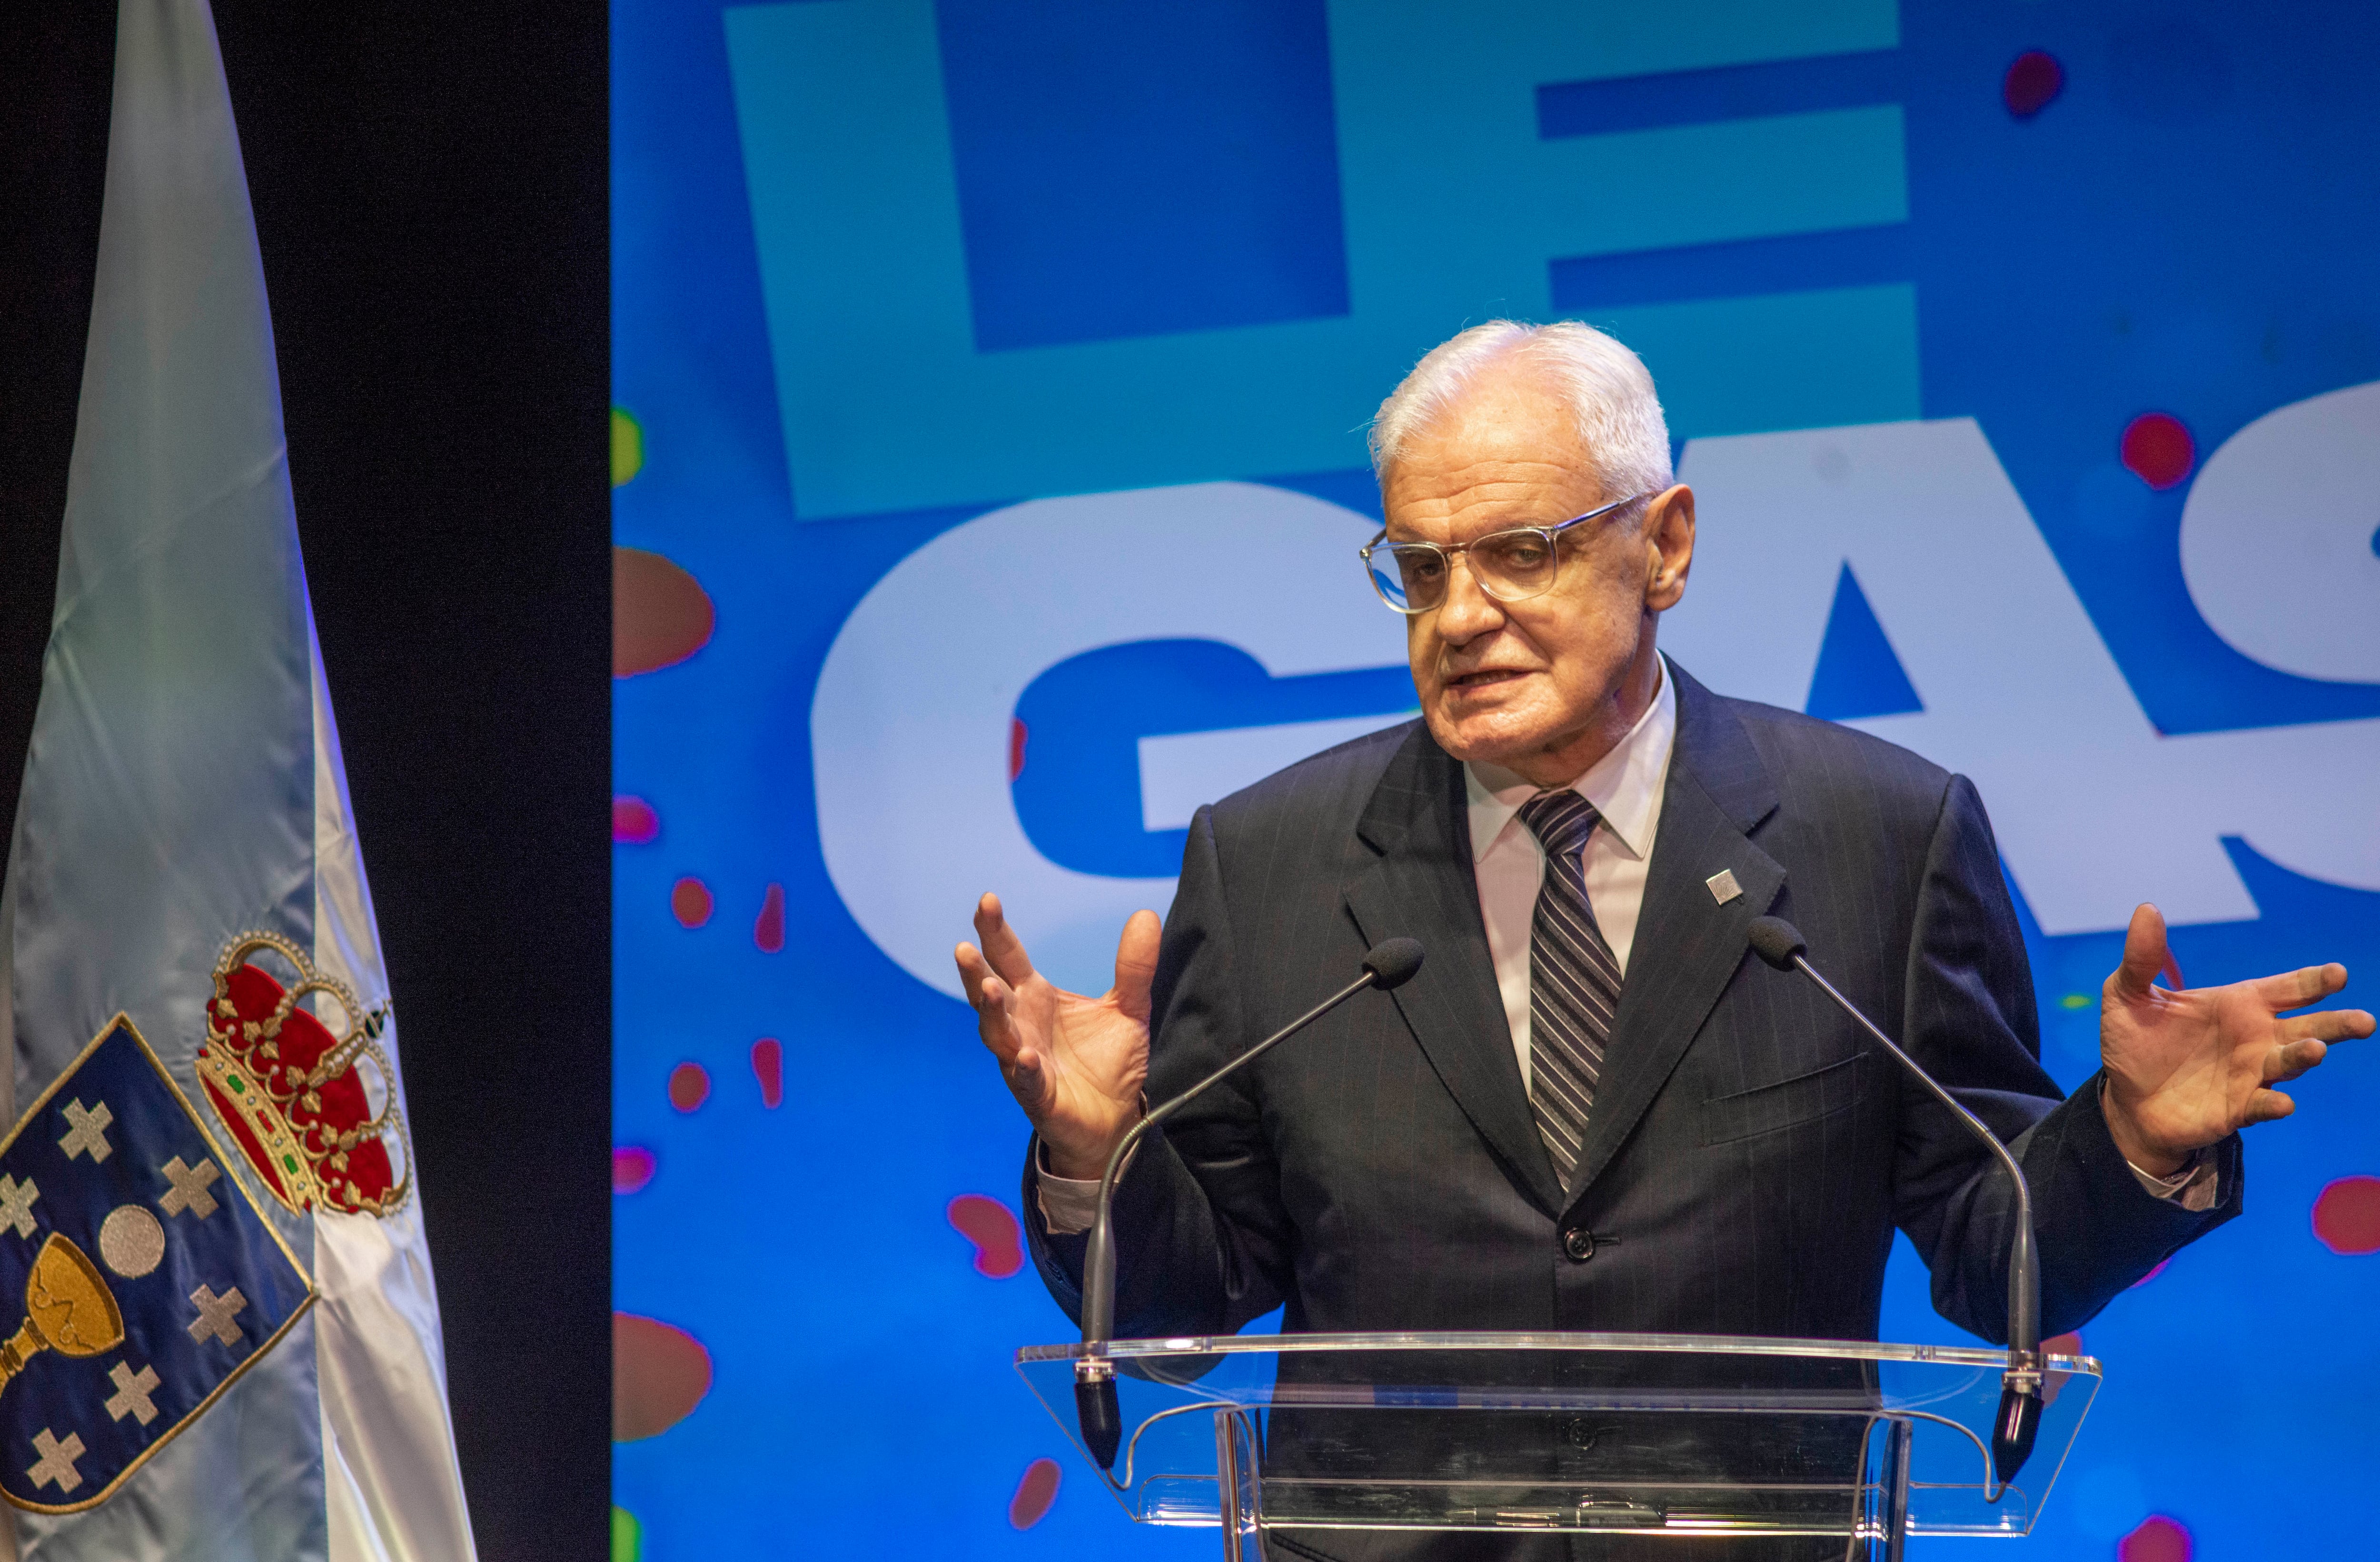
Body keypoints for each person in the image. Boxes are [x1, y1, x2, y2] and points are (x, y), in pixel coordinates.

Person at [954, 322, 2370, 1557]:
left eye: (1521, 552)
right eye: (1423, 565)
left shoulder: (1882, 837)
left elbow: (1995, 1249)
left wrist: (2130, 1142)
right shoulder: (1266, 859)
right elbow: (1194, 1299)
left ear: (1666, 545)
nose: (1463, 616)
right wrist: (1097, 1156)